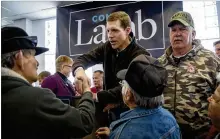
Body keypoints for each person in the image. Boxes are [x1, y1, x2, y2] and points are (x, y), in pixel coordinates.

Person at [2, 26, 95, 139]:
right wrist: (87, 91)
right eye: (33, 54)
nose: (37, 63)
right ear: (20, 57)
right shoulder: (36, 97)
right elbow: (84, 122)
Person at [72, 11, 150, 125]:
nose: (110, 35)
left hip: (132, 115)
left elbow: (130, 86)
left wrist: (97, 96)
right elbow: (84, 58)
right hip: (110, 113)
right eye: (108, 30)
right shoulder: (107, 47)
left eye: (115, 30)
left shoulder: (141, 55)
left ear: (127, 31)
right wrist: (79, 71)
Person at [158, 11, 220, 139]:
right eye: (173, 30)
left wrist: (215, 129)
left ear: (193, 34)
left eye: (183, 29)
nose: (178, 33)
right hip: (165, 133)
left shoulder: (211, 60)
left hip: (202, 134)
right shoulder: (159, 63)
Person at [95, 54, 180, 139]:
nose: (122, 87)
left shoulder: (123, 133)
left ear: (128, 94)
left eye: (123, 84)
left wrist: (115, 135)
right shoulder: (169, 118)